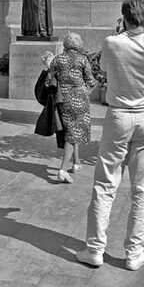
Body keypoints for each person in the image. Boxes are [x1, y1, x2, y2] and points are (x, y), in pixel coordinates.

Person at [75, 0, 144, 272]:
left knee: (105, 184)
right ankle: (134, 252)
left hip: (118, 115)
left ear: (124, 17)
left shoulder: (112, 43)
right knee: (141, 189)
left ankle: (95, 249)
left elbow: (104, 69)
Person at [46, 31, 96, 184]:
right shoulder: (83, 60)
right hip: (80, 100)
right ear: (78, 44)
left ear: (65, 44)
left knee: (71, 131)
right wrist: (85, 93)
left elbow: (48, 82)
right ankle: (62, 169)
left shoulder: (58, 60)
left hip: (63, 100)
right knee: (74, 133)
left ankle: (76, 163)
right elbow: (92, 82)